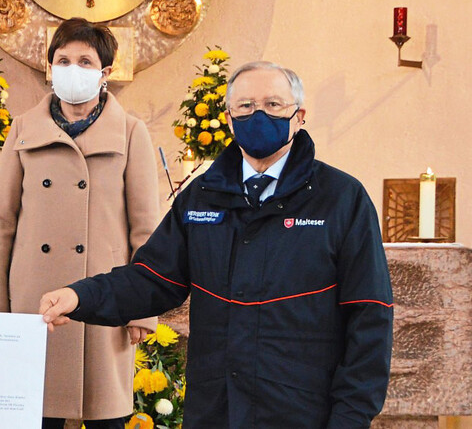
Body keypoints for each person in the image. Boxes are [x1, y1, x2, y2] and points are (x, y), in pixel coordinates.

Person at [40, 61, 393, 428]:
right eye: (245, 106)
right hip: (216, 409)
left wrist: (351, 417)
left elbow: (370, 313)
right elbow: (152, 279)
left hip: (303, 411)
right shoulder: (202, 196)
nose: (258, 115)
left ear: (299, 115)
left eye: (273, 105)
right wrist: (80, 297)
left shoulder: (340, 198)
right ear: (228, 118)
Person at [0, 18, 160, 429]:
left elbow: (145, 230)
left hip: (105, 301)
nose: (72, 68)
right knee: (33, 415)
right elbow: (1, 225)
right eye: (63, 60)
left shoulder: (132, 133)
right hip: (34, 306)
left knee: (104, 418)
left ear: (105, 74)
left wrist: (141, 311)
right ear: (50, 68)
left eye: (85, 60)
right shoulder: (23, 129)